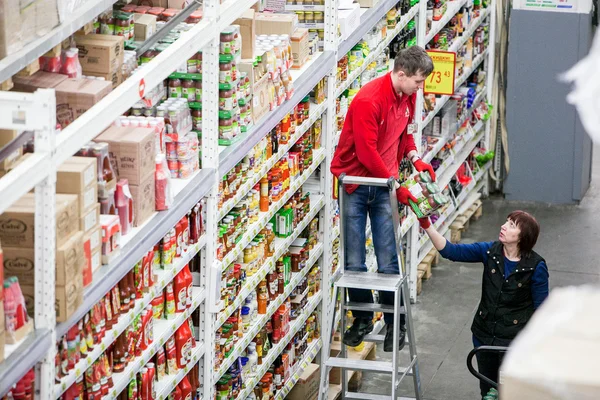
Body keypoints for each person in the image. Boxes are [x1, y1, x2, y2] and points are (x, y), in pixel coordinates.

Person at [331, 46, 435, 352]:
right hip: (355, 184)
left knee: (389, 257)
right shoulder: (369, 100)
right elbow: (366, 153)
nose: (422, 87)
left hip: (384, 183)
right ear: (401, 74)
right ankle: (362, 317)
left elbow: (405, 133)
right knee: (354, 259)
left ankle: (394, 321)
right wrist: (394, 185)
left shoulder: (408, 95)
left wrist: (415, 158)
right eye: (418, 81)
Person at [418, 210, 549, 398]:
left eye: (512, 225)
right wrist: (426, 225)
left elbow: (542, 312)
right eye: (506, 221)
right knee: (487, 390)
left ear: (523, 236)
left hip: (513, 342)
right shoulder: (490, 251)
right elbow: (450, 251)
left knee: (508, 391)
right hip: (484, 336)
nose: (503, 226)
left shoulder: (536, 267)